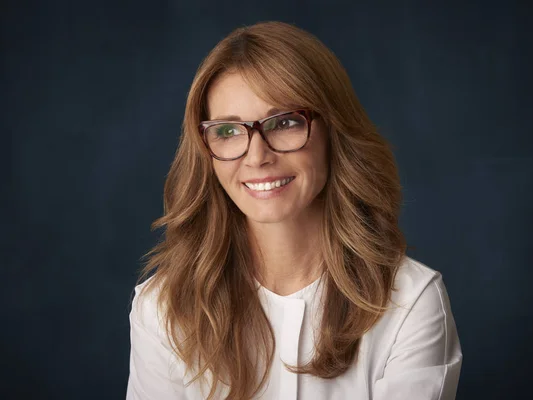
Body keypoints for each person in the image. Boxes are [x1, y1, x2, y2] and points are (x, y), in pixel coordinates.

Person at [126, 21, 462, 400]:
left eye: (284, 122)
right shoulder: (162, 308)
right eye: (227, 131)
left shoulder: (411, 302)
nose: (257, 157)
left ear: (332, 129)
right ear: (205, 149)